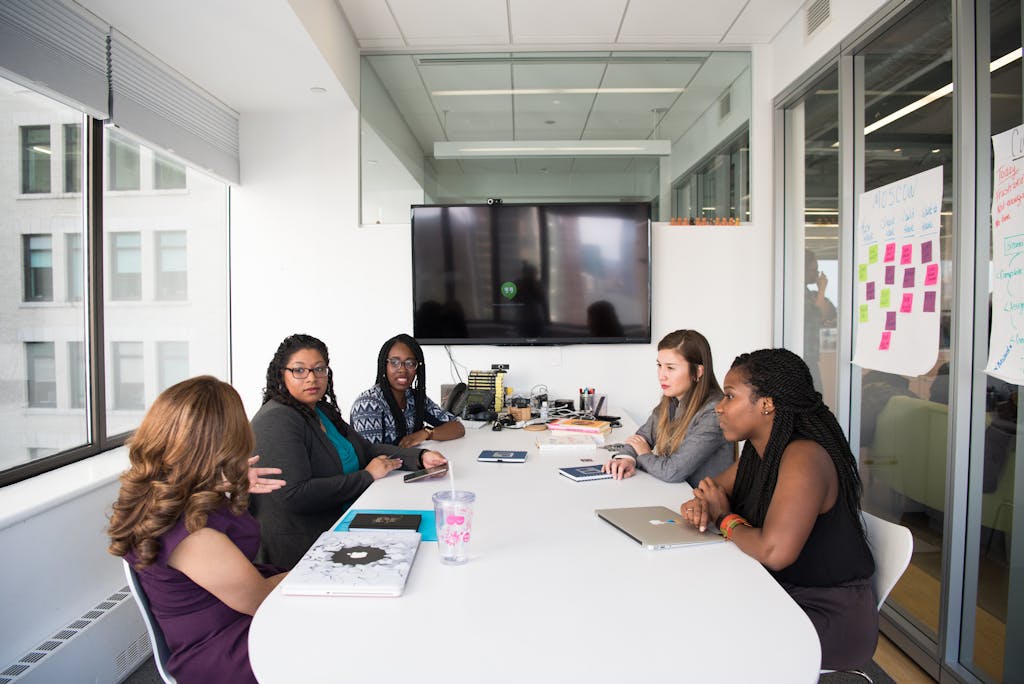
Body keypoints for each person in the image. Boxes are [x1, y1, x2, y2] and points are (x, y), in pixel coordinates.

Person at [680, 348, 877, 671]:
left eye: (730, 396)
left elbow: (774, 551)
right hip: (778, 591)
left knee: (701, 636)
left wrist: (723, 518)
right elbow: (709, 492)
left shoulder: (804, 456)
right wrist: (700, 506)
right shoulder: (760, 452)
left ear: (767, 403)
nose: (720, 406)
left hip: (823, 616)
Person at [107, 376, 288, 684]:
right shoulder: (194, 536)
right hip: (225, 649)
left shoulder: (164, 494)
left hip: (227, 615)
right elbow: (260, 601)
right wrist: (317, 570)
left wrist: (225, 484)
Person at [249, 333, 448, 568]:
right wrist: (367, 476)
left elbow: (365, 449)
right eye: (300, 370)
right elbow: (295, 495)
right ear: (281, 374)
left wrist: (419, 457)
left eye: (319, 369)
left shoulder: (320, 409)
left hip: (344, 521)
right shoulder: (277, 419)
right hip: (303, 547)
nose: (312, 378)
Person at [601, 329, 734, 486]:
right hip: (678, 495)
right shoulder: (671, 400)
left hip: (702, 504)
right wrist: (626, 459)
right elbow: (642, 437)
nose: (661, 375)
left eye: (670, 368)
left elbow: (672, 471)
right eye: (659, 365)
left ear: (698, 371)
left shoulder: (713, 413)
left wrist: (643, 454)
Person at [350, 333, 465, 447]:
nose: (402, 370)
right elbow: (372, 455)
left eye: (410, 363)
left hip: (414, 462)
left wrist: (426, 433)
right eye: (394, 363)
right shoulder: (368, 404)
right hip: (394, 464)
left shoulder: (414, 398)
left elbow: (457, 427)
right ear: (384, 366)